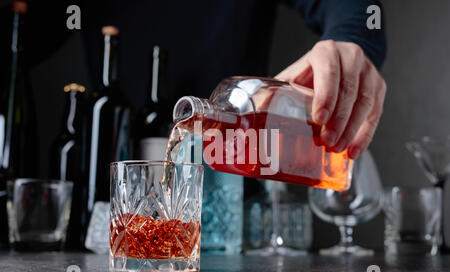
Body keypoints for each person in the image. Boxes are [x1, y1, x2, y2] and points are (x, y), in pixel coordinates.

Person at [0, 0, 386, 160]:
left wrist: (350, 43)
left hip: (236, 183)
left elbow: (354, 7)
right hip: (108, 204)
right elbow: (23, 35)